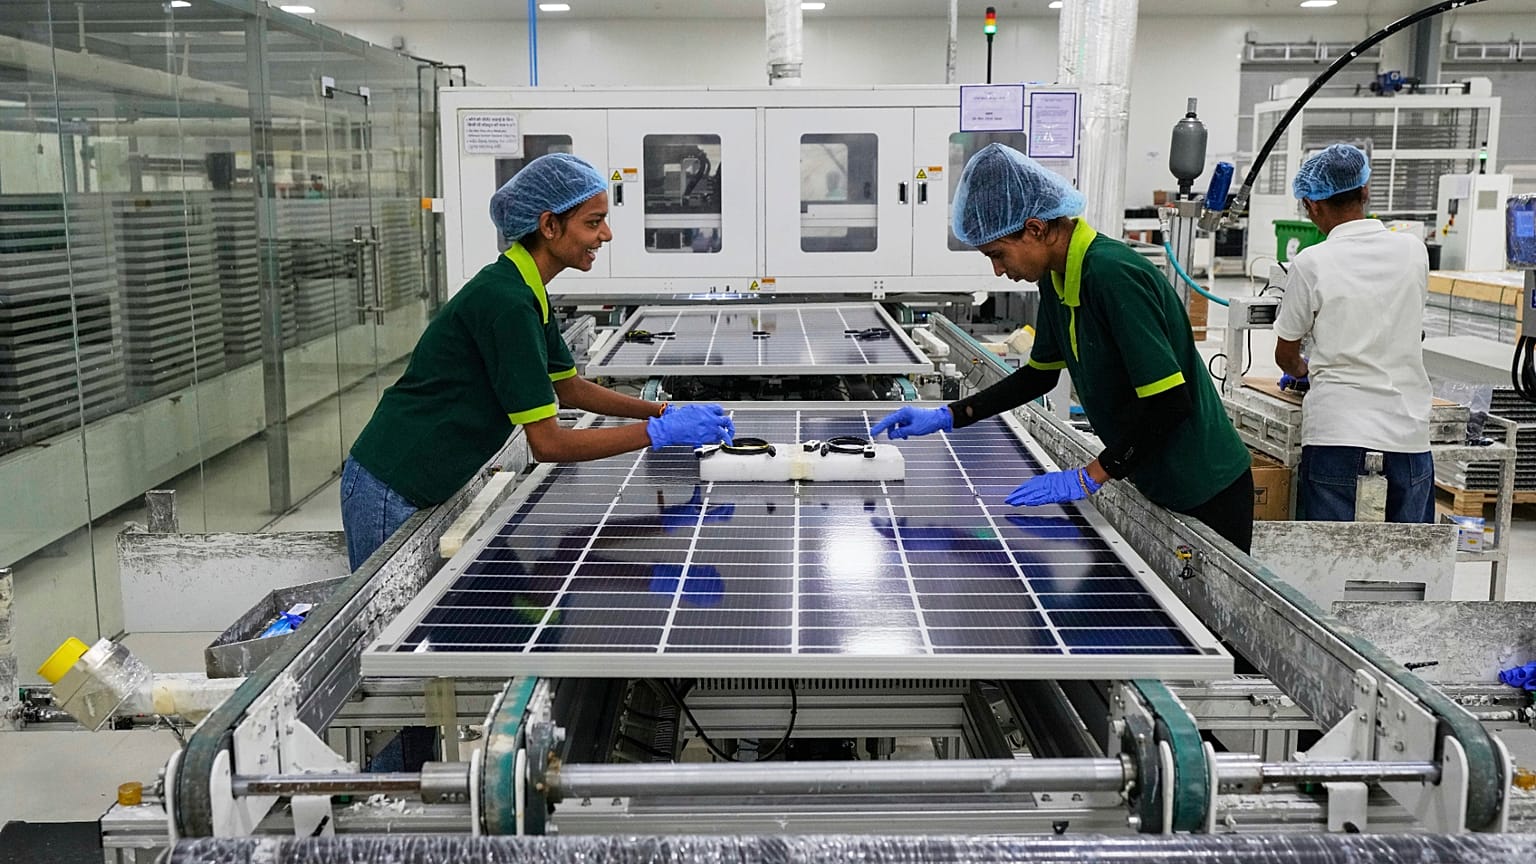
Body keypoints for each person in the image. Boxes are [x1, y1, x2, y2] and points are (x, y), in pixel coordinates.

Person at [342, 153, 736, 571]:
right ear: (549, 226)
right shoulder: (507, 302)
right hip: (390, 485)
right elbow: (549, 444)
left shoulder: (528, 290)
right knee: (389, 628)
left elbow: (570, 388)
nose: (606, 234)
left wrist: (661, 409)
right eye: (592, 222)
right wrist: (658, 432)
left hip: (423, 477)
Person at [871, 143, 1254, 552]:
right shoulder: (1055, 278)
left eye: (998, 254)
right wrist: (948, 415)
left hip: (1206, 485)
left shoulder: (1111, 274)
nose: (998, 270)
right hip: (1154, 475)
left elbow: (1170, 403)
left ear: (1035, 229)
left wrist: (1088, 475)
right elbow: (1038, 375)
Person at [1273, 143, 1434, 523]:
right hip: (1407, 432)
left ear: (1311, 206)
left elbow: (1285, 354)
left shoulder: (1311, 263)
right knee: (1411, 563)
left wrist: (1302, 370)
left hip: (1337, 433)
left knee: (1329, 565)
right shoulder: (1414, 250)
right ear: (1365, 191)